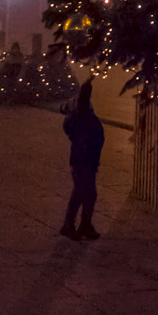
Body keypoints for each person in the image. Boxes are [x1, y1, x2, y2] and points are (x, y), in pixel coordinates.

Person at [60, 80, 104, 240]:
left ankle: (84, 224)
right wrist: (88, 83)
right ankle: (69, 224)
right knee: (81, 192)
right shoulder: (79, 119)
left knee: (88, 193)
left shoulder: (83, 119)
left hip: (89, 162)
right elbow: (84, 98)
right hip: (82, 162)